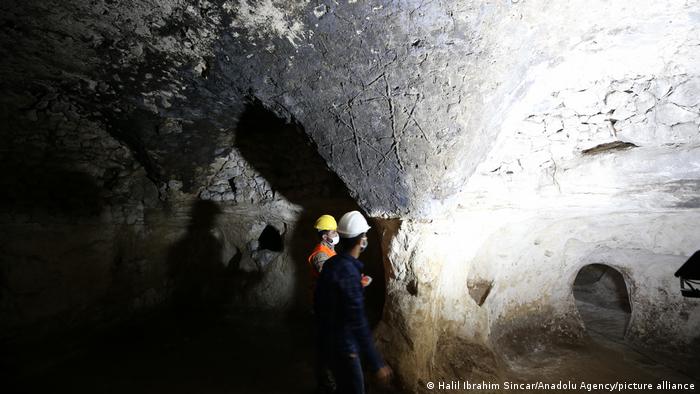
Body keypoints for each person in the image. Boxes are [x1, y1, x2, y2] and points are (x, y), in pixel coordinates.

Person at [314, 211, 392, 394]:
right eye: (364, 236)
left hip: (328, 341)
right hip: (344, 346)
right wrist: (376, 363)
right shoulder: (348, 271)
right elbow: (358, 321)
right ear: (361, 240)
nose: (365, 239)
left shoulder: (332, 264)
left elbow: (321, 301)